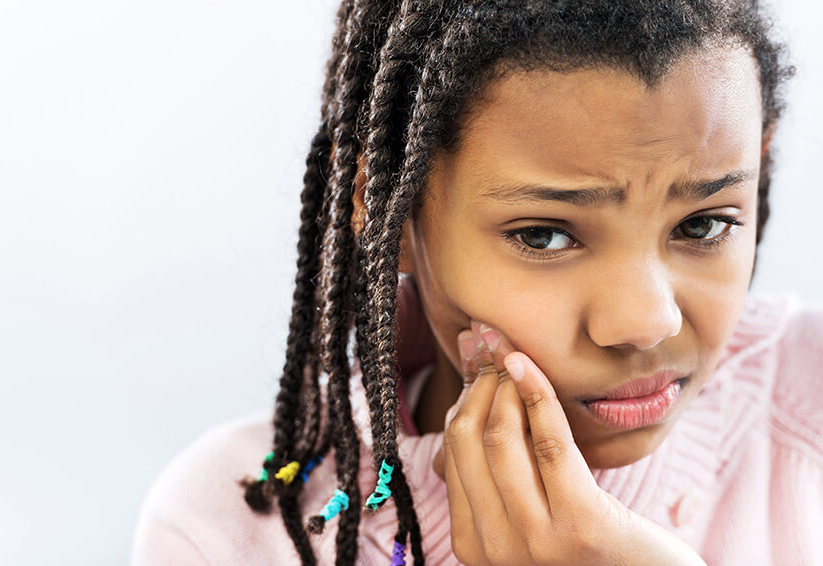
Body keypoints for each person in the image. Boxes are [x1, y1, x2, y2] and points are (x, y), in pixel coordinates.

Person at [130, 1, 823, 564]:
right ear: (386, 209)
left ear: (759, 156)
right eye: (544, 236)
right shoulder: (235, 529)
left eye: (702, 226)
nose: (646, 322)